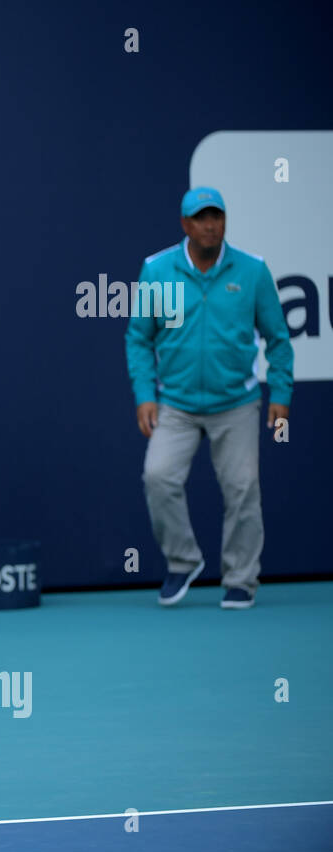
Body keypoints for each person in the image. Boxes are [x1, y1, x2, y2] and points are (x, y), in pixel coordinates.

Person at [125, 186, 292, 610]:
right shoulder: (158, 270)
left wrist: (281, 393)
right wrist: (145, 394)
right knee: (158, 477)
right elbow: (139, 339)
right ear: (185, 225)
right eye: (200, 218)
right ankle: (183, 561)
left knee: (242, 489)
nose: (210, 225)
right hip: (176, 404)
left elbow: (278, 338)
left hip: (236, 402)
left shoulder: (252, 271)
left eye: (216, 216)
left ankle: (241, 578)